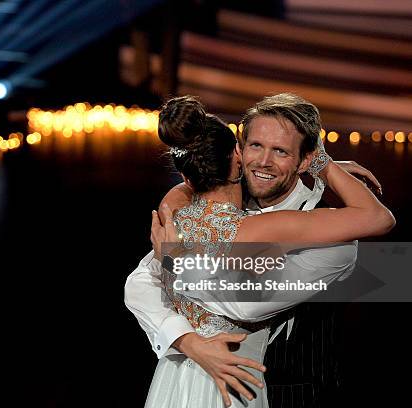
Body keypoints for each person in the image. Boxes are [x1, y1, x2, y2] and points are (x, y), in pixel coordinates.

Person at [125, 94, 394, 407]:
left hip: (295, 397)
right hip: (196, 382)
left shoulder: (334, 241)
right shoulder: (205, 208)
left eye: (280, 151)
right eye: (255, 146)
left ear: (305, 159)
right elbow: (141, 283)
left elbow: (250, 302)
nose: (263, 161)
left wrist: (175, 264)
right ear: (238, 151)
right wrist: (188, 341)